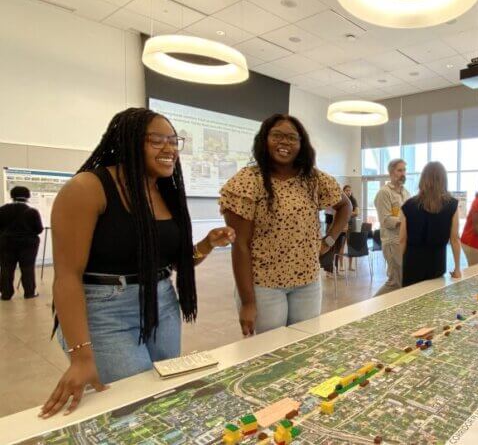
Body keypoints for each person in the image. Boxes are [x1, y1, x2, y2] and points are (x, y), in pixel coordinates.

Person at [40, 108, 235, 418]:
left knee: (163, 393)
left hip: (162, 305)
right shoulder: (89, 187)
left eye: (174, 140)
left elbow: (169, 264)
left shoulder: (162, 191)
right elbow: (66, 276)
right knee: (137, 407)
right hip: (105, 312)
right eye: (157, 140)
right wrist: (80, 356)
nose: (169, 148)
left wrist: (206, 245)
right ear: (127, 141)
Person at [221, 114, 351, 337]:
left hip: (307, 282)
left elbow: (345, 206)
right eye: (277, 135)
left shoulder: (313, 179)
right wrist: (248, 302)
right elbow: (240, 245)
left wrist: (328, 241)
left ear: (301, 144)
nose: (284, 142)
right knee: (271, 352)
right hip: (265, 285)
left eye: (292, 137)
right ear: (264, 139)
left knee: (304, 347)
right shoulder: (248, 181)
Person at [399, 162, 461, 287]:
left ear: (423, 179)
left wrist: (398, 268)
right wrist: (457, 269)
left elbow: (402, 240)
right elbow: (455, 239)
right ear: (443, 180)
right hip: (437, 265)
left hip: (411, 265)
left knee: (411, 303)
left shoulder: (408, 205)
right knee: (434, 303)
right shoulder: (452, 205)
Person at [373, 159, 410, 296]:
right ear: (391, 172)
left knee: (401, 281)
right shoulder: (384, 193)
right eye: (399, 170)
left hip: (403, 241)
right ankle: (373, 307)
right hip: (392, 242)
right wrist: (406, 221)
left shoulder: (406, 193)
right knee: (395, 282)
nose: (403, 173)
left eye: (404, 170)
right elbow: (386, 220)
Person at [0, 186, 44, 299]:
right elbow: (39, 229)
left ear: (12, 196)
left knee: (6, 268)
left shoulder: (2, 210)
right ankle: (29, 293)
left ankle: (6, 294)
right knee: (27, 268)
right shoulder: (32, 211)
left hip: (6, 243)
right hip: (28, 244)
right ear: (28, 196)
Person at [342, 184, 359, 271]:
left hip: (352, 225)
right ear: (343, 191)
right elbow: (340, 213)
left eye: (350, 190)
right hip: (342, 225)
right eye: (347, 190)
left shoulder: (353, 200)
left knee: (350, 245)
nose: (348, 192)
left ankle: (350, 266)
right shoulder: (340, 200)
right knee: (341, 245)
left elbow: (356, 213)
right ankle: (341, 266)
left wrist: (346, 213)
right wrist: (350, 213)